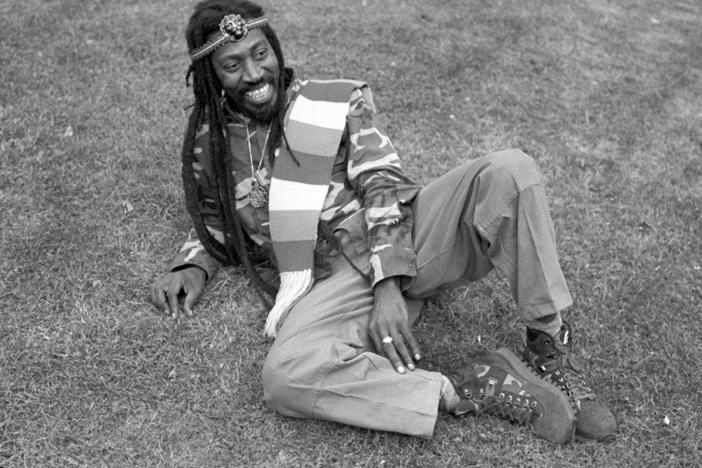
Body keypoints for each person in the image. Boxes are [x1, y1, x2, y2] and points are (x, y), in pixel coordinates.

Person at [150, 0, 616, 444]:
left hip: (408, 237)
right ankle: (468, 387)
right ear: (211, 76)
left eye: (260, 53)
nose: (254, 74)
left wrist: (387, 283)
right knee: (284, 375)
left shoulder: (329, 104)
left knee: (511, 171)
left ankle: (547, 343)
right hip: (331, 280)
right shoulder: (209, 142)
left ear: (274, 47)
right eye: (233, 65)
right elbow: (217, 219)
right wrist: (193, 263)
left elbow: (383, 183)